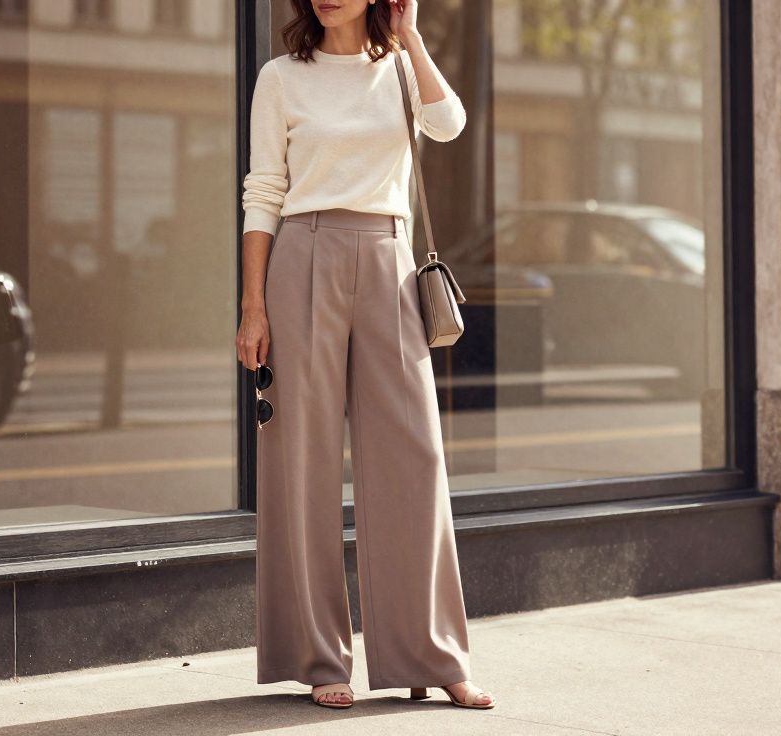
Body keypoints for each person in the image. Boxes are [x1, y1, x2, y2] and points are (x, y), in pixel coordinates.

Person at [235, 0, 496, 711]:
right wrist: (254, 305)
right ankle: (318, 655)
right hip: (303, 256)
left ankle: (431, 654)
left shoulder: (399, 69)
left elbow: (450, 124)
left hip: (388, 257)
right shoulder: (282, 77)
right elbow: (263, 193)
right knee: (303, 459)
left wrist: (410, 37)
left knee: (414, 455)